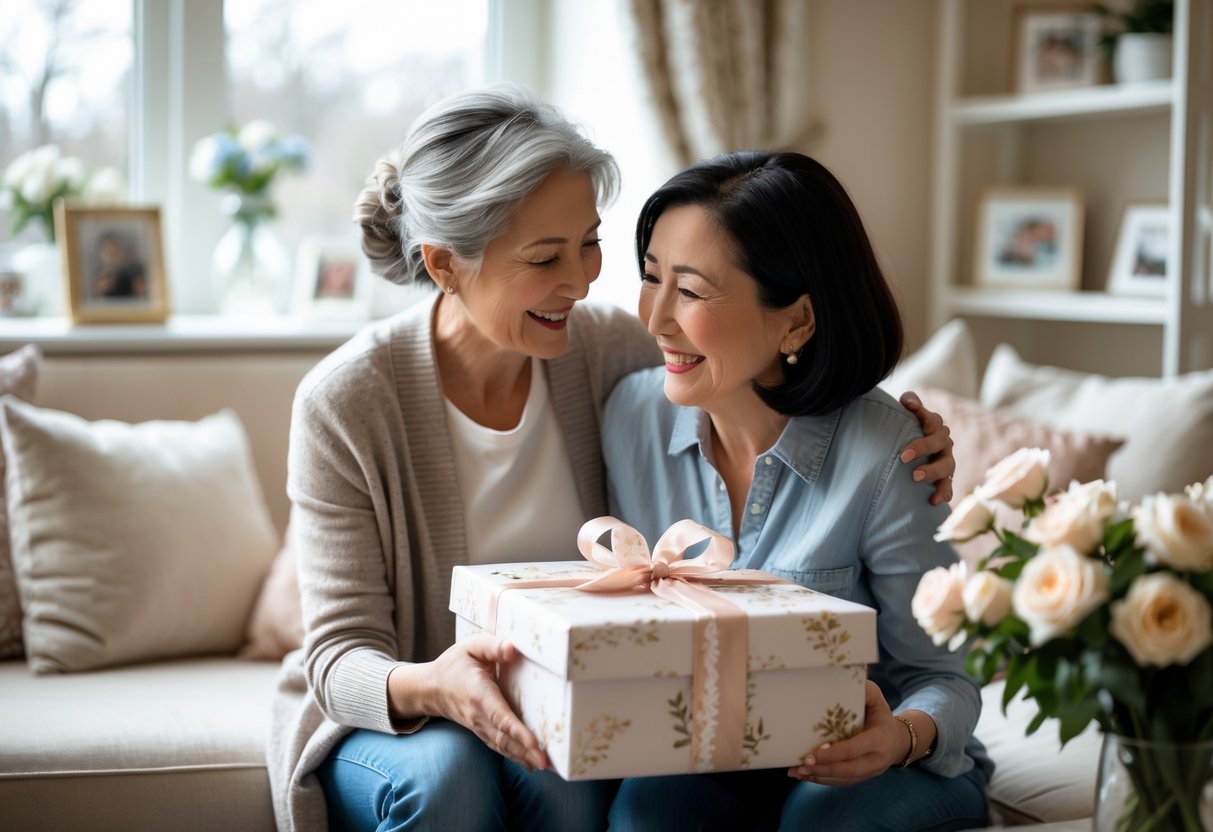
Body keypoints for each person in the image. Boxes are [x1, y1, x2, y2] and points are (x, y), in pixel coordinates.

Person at [266, 87, 958, 832]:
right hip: (404, 703)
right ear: (443, 265)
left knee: (576, 784)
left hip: (562, 697)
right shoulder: (347, 401)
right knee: (449, 779)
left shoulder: (605, 355)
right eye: (545, 257)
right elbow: (335, 656)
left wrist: (911, 434)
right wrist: (436, 686)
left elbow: (750, 359)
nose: (584, 280)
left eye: (590, 242)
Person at [602, 151, 991, 831]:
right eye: (649, 277)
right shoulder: (629, 417)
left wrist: (898, 736)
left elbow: (947, 679)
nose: (656, 318)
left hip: (885, 770)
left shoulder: (887, 454)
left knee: (820, 819)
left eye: (690, 291)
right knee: (646, 808)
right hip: (718, 757)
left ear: (796, 322)